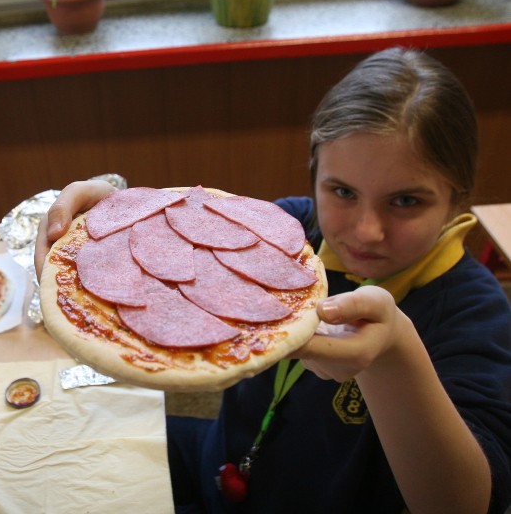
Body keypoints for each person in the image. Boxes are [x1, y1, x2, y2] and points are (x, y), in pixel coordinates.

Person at [35, 48, 511, 513]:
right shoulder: (291, 231)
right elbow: (182, 256)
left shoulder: (477, 312)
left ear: (456, 200)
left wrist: (393, 361)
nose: (367, 230)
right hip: (220, 463)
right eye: (343, 191)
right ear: (314, 174)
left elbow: (466, 503)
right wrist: (117, 220)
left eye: (406, 201)